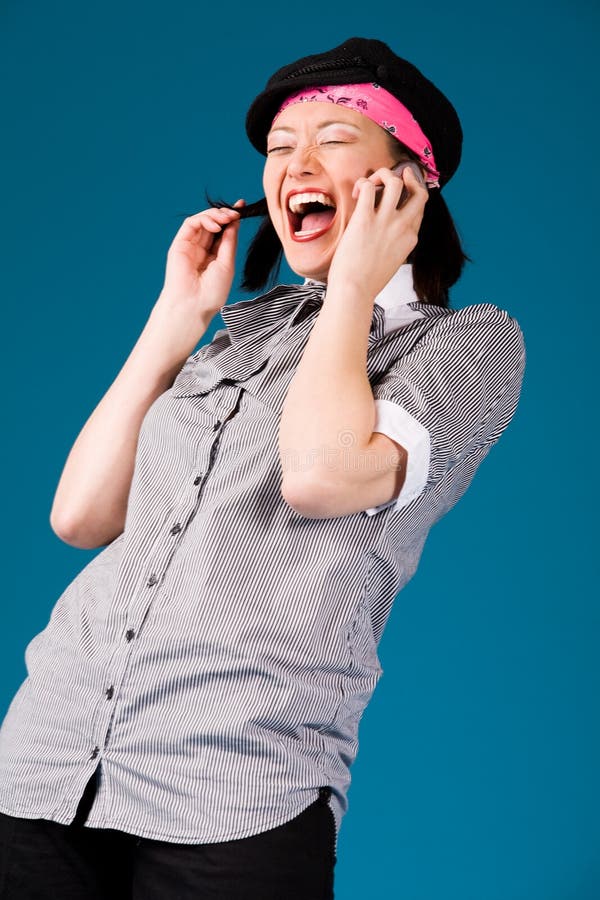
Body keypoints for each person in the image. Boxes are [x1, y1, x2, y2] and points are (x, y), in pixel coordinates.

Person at [0, 36, 525, 900]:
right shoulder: (245, 333)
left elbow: (319, 478)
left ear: (410, 181)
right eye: (280, 148)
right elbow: (82, 518)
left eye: (332, 138)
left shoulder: (466, 344)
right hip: (53, 763)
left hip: (237, 785)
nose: (295, 165)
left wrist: (356, 285)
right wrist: (175, 325)